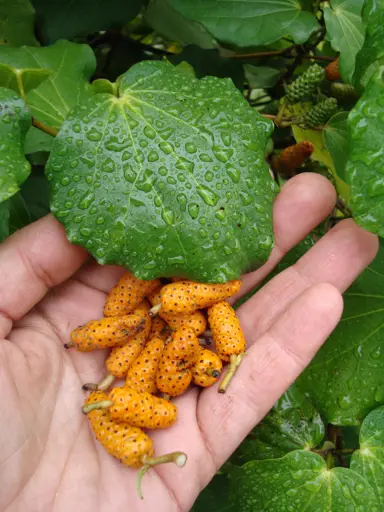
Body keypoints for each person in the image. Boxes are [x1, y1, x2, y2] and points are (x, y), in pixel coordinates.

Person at [0, 173, 378, 512]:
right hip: (145, 351)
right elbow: (158, 354)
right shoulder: (137, 354)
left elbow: (182, 341)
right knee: (145, 364)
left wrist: (174, 334)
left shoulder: (184, 335)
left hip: (163, 347)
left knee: (167, 356)